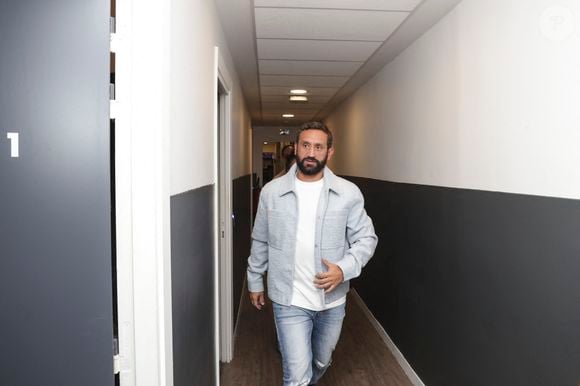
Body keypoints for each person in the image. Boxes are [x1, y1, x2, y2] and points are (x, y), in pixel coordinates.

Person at [247, 121, 378, 386]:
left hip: (332, 302)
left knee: (319, 361)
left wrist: (343, 269)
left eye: (318, 147)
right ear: (295, 147)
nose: (311, 152)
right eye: (305, 145)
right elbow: (260, 238)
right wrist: (254, 279)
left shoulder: (347, 193)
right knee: (296, 376)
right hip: (289, 298)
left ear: (329, 152)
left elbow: (367, 238)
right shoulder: (272, 192)